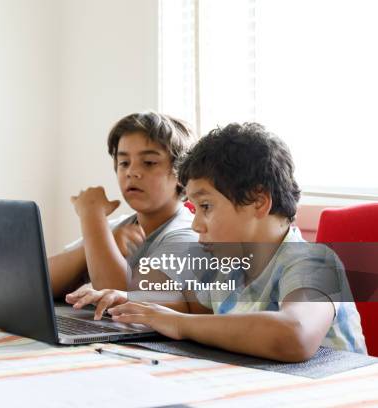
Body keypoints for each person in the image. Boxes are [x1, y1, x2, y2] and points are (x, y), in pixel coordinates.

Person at [79, 122, 367, 362]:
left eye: (205, 206)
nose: (195, 224)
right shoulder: (229, 265)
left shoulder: (315, 262)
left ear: (258, 201)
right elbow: (194, 309)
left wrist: (178, 325)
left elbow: (295, 334)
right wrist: (135, 302)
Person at [48, 112, 197, 304]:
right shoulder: (118, 228)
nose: (132, 172)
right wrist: (104, 242)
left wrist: (91, 214)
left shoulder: (187, 236)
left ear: (180, 172)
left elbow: (121, 296)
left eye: (149, 163)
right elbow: (41, 282)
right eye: (124, 163)